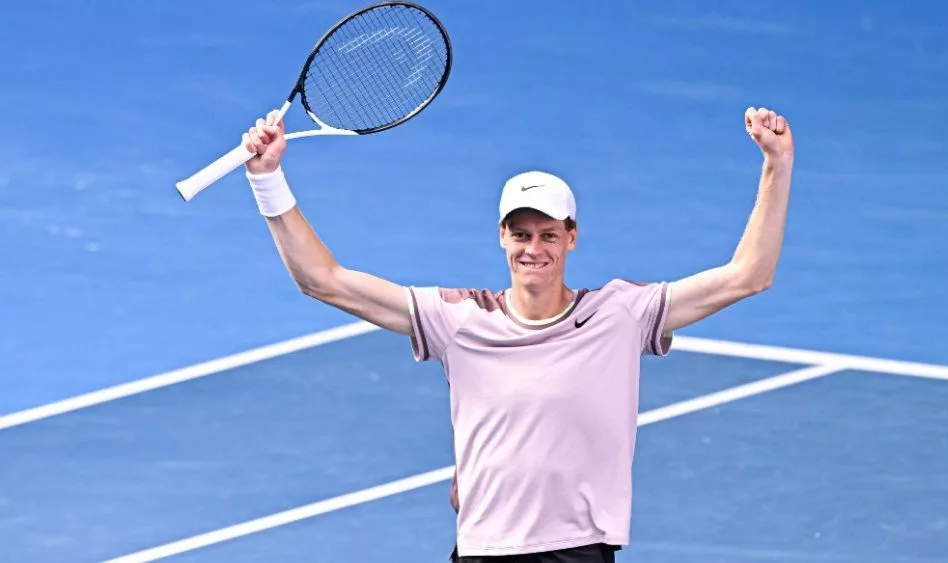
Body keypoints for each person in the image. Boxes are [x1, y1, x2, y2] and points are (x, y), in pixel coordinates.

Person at [239, 106, 794, 562]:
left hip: (574, 550)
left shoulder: (621, 313)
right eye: (521, 234)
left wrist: (777, 163)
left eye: (548, 234)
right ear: (502, 238)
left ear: (572, 238)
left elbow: (749, 275)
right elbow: (324, 281)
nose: (534, 249)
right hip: (481, 549)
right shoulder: (459, 319)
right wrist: (267, 178)